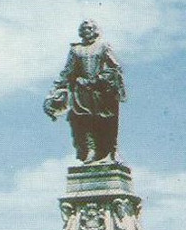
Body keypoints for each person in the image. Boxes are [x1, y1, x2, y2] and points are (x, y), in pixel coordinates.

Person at [44, 20, 126, 164]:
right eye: (83, 28)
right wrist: (55, 89)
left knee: (104, 121)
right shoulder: (76, 50)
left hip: (101, 91)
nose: (86, 31)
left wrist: (100, 79)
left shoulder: (103, 47)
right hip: (82, 92)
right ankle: (91, 151)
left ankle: (109, 152)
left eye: (89, 28)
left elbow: (115, 68)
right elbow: (67, 71)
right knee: (84, 121)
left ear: (95, 30)